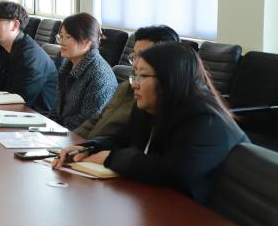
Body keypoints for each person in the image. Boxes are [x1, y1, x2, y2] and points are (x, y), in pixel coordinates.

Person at [56, 42, 245, 204]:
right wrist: (90, 147)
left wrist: (110, 158)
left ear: (169, 80)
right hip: (167, 205)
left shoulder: (205, 120)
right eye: (134, 75)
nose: (133, 84)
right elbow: (123, 138)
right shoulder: (152, 106)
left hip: (210, 220)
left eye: (143, 76)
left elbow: (172, 170)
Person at [75, 25, 179, 139]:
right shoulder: (124, 87)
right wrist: (74, 140)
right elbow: (96, 119)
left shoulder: (153, 102)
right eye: (134, 56)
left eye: (143, 56)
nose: (135, 64)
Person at [52, 12, 118, 130]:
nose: (61, 42)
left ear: (87, 42)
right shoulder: (67, 65)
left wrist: (55, 126)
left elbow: (87, 122)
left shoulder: (99, 75)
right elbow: (57, 109)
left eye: (67, 37)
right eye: (60, 36)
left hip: (80, 136)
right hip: (61, 130)